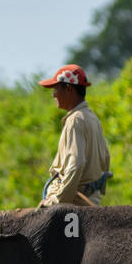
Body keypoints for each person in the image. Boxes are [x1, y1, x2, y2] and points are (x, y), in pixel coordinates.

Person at [37, 64, 112, 207]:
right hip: (90, 202)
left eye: (55, 89)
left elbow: (76, 164)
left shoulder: (75, 120)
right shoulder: (92, 118)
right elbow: (106, 158)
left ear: (68, 89)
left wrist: (56, 201)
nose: (53, 95)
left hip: (71, 205)